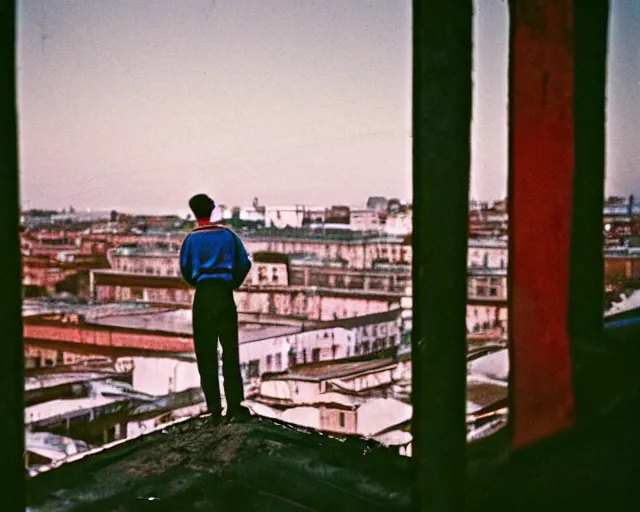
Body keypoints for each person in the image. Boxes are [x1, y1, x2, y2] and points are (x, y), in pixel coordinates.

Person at [180, 193, 252, 422]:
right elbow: (245, 264)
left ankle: (214, 408)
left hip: (203, 297)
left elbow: (186, 270)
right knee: (230, 352)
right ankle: (234, 405)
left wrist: (202, 284)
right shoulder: (228, 236)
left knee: (206, 353)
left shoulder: (191, 239)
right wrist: (230, 283)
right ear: (212, 210)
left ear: (194, 212)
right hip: (224, 294)